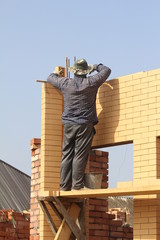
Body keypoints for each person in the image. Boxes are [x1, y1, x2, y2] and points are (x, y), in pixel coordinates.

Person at [47, 59, 111, 191]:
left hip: (69, 124)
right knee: (79, 155)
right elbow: (107, 70)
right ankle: (77, 185)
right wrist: (95, 66)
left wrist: (55, 73)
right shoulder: (91, 83)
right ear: (85, 72)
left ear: (74, 71)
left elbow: (50, 78)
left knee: (67, 154)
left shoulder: (65, 83)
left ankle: (64, 186)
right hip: (84, 124)